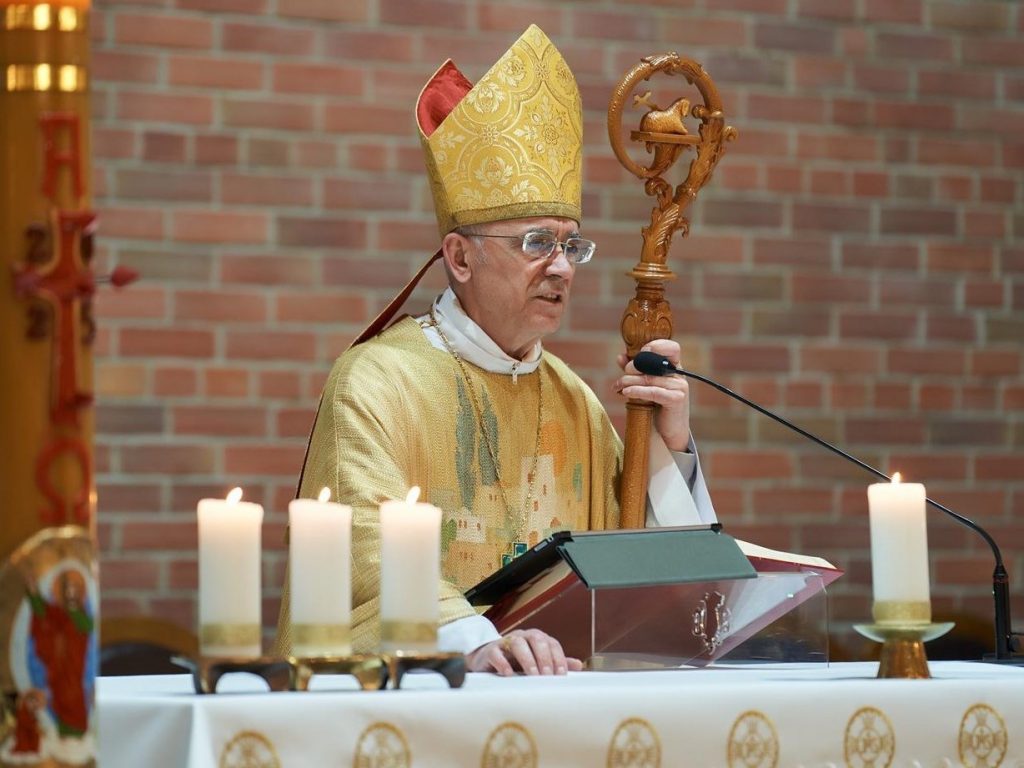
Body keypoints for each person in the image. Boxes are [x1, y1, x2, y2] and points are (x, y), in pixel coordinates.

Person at [274, 24, 714, 675]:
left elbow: (655, 586)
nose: (561, 267)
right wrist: (473, 643)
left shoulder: (574, 402)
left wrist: (667, 448)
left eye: (571, 246)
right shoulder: (378, 381)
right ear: (459, 257)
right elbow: (363, 551)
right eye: (536, 243)